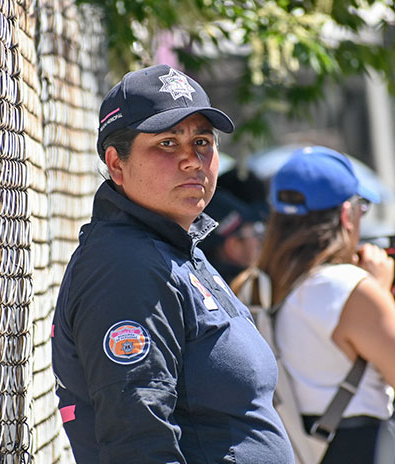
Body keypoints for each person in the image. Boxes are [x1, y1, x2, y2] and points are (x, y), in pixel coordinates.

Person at [51, 64, 295, 464]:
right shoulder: (125, 266)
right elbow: (137, 442)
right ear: (116, 165)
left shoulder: (174, 244)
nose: (192, 160)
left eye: (202, 141)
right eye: (167, 143)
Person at [239, 146, 395, 463]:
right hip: (360, 449)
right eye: (362, 208)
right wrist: (378, 294)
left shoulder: (248, 288)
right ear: (346, 214)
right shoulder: (347, 288)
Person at [200, 189, 265, 283]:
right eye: (257, 231)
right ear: (234, 245)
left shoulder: (200, 285)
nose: (264, 240)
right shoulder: (248, 291)